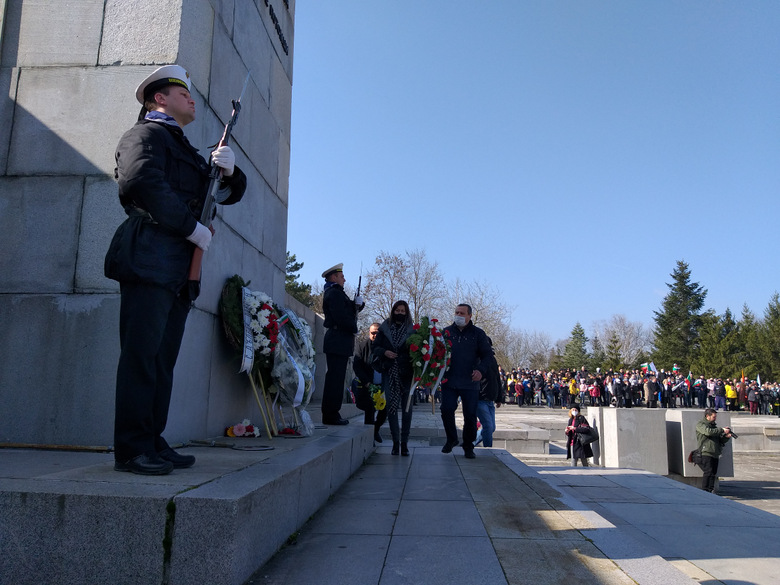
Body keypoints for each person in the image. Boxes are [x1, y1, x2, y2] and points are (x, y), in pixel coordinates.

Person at [105, 65, 247, 475]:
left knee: (163, 359)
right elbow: (140, 181)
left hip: (179, 266)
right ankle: (132, 448)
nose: (191, 98)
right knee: (141, 357)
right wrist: (191, 228)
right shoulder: (144, 136)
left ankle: (152, 439)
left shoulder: (182, 147)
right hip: (150, 255)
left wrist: (231, 172)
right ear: (159, 99)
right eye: (181, 92)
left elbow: (219, 193)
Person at [440, 304, 491, 459]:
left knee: (470, 415)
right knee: (446, 409)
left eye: (462, 313)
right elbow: (437, 353)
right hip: (449, 380)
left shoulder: (478, 334)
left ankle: (468, 446)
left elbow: (487, 355)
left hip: (470, 381)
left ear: (469, 316)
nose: (458, 315)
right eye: (456, 312)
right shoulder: (446, 333)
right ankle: (451, 438)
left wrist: (480, 370)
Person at [321, 263, 364, 425]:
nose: (344, 279)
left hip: (340, 340)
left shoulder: (337, 293)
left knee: (337, 379)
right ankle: (331, 414)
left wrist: (358, 305)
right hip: (337, 339)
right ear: (334, 277)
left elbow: (347, 311)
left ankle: (333, 413)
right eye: (342, 276)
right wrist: (353, 327)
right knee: (335, 379)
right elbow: (341, 316)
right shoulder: (334, 293)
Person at [371, 301, 414, 456]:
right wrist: (385, 352)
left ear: (406, 312)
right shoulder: (384, 329)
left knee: (407, 410)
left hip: (407, 374)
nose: (400, 313)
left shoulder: (412, 330)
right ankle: (396, 443)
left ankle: (405, 443)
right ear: (393, 311)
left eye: (403, 311)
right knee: (391, 408)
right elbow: (374, 347)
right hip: (390, 372)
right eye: (397, 310)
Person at [353, 323, 386, 442]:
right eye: (373, 333)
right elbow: (357, 366)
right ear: (369, 333)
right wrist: (366, 382)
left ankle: (375, 430)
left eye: (378, 333)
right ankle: (369, 439)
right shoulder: (362, 346)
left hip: (383, 384)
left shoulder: (386, 346)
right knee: (370, 410)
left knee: (384, 411)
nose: (375, 335)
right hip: (368, 385)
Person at [695, 408, 733, 493]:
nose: (715, 418)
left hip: (715, 452)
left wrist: (726, 437)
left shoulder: (714, 427)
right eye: (713, 417)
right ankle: (705, 490)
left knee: (713, 473)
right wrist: (722, 430)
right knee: (708, 472)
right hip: (706, 452)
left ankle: (710, 490)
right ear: (707, 416)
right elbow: (708, 432)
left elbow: (720, 440)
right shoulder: (701, 424)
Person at [475, 337, 504, 448]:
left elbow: (497, 379)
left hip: (490, 399)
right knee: (488, 426)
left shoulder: (492, 359)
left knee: (492, 427)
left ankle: (471, 443)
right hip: (480, 398)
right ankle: (488, 449)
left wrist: (499, 398)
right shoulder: (477, 359)